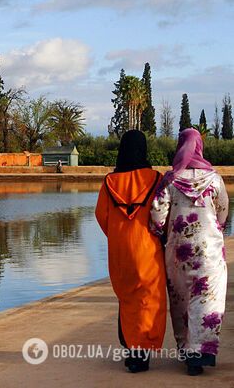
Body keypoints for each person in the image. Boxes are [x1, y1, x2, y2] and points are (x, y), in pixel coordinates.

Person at [150, 128, 228, 376]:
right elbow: (223, 212)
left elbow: (157, 216)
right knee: (207, 298)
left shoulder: (170, 180)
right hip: (209, 251)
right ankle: (202, 351)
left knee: (181, 299)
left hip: (178, 252)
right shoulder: (215, 179)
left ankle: (187, 350)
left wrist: (161, 230)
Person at [95, 130, 166, 373]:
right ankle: (141, 351)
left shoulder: (109, 182)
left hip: (120, 251)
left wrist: (117, 235)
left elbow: (100, 216)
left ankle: (130, 348)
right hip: (148, 249)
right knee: (148, 299)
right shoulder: (156, 179)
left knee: (126, 299)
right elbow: (162, 214)